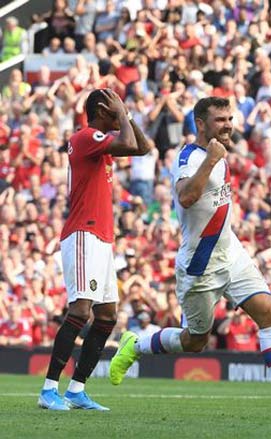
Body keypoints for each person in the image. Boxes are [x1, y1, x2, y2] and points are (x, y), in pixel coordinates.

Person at [109, 97, 271, 421]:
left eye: (230, 118)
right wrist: (210, 160)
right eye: (220, 120)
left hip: (229, 250)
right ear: (201, 124)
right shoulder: (191, 158)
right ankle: (135, 345)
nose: (228, 125)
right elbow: (186, 197)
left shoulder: (217, 154)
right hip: (200, 262)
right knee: (195, 341)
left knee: (267, 312)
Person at [39, 88, 152, 411]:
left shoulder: (102, 142)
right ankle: (48, 390)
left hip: (102, 236)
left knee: (106, 316)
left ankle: (76, 390)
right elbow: (131, 144)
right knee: (80, 311)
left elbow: (143, 148)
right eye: (114, 104)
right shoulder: (87, 136)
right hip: (83, 233)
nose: (120, 109)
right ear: (103, 108)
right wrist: (121, 116)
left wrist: (126, 116)